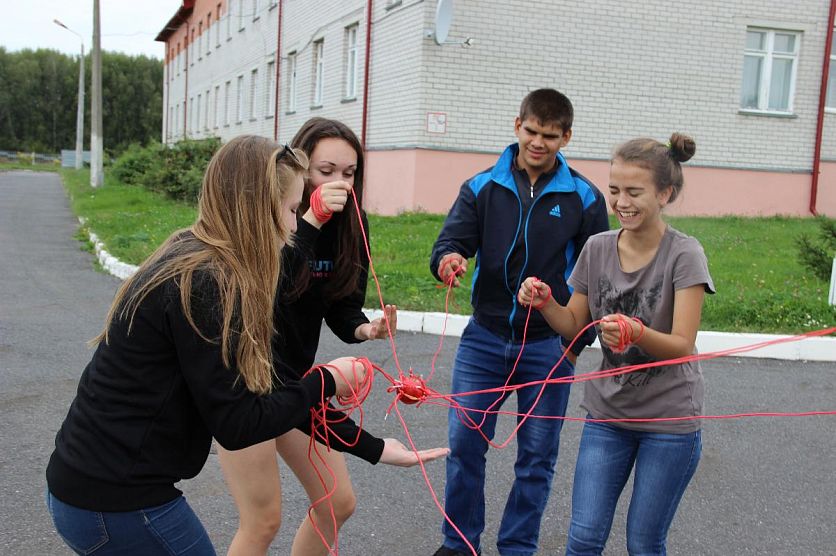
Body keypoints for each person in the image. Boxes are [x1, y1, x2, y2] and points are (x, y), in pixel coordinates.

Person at [45, 135, 373, 555]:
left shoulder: (195, 252)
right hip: (115, 503)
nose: (296, 227)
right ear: (257, 209)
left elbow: (259, 391)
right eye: (293, 210)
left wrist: (372, 445)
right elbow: (239, 424)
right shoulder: (208, 285)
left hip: (88, 487)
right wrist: (326, 381)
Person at [218, 117, 448, 556]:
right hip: (244, 384)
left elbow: (341, 304)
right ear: (298, 171)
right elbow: (271, 289)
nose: (339, 183)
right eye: (325, 172)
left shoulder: (351, 222)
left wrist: (365, 328)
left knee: (337, 502)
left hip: (292, 382)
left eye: (349, 172)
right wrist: (311, 219)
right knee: (262, 520)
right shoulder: (273, 217)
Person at [429, 89, 610, 556]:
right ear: (517, 126)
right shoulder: (481, 186)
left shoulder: (585, 197)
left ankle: (517, 547)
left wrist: (573, 347)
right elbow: (450, 243)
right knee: (464, 447)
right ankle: (459, 544)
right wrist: (448, 260)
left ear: (566, 137)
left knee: (536, 459)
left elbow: (599, 278)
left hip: (548, 346)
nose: (538, 142)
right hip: (484, 340)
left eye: (550, 135)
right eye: (531, 131)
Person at [518, 133, 714, 555]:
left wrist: (636, 332)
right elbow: (574, 325)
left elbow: (682, 344)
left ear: (665, 193)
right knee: (584, 538)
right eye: (614, 190)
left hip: (669, 422)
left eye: (634, 192)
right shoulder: (598, 247)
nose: (621, 202)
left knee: (643, 542)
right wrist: (546, 302)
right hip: (608, 416)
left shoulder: (685, 254)